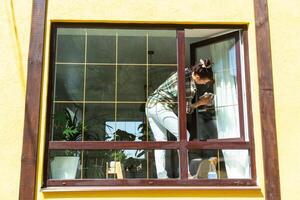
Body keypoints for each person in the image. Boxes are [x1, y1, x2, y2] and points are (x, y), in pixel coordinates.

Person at [145, 59, 215, 179]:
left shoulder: (184, 72)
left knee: (160, 141)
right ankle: (184, 173)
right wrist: (201, 102)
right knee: (184, 135)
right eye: (205, 81)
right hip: (160, 106)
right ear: (198, 76)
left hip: (150, 105)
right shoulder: (190, 86)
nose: (204, 84)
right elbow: (187, 109)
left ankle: (162, 176)